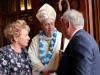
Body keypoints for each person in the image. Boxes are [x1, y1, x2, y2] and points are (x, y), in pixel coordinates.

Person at [28, 3, 69, 75]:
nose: (50, 27)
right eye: (46, 24)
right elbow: (30, 56)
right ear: (41, 26)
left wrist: (64, 56)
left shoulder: (63, 38)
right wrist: (42, 69)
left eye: (52, 23)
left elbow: (71, 56)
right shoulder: (35, 40)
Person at [56, 9, 100, 75]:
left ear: (68, 25)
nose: (62, 29)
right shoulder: (85, 37)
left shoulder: (80, 41)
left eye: (62, 26)